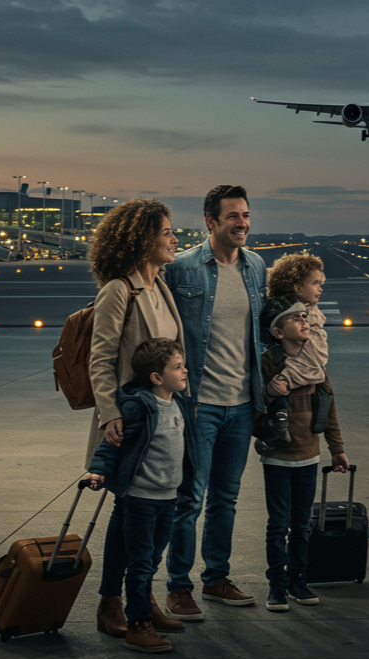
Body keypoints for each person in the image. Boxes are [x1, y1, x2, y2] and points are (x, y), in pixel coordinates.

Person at [163, 185, 267, 620]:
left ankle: (216, 579)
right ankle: (178, 587)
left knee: (227, 498)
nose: (242, 223)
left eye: (245, 215)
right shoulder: (183, 268)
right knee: (189, 498)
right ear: (210, 221)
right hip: (199, 404)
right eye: (233, 217)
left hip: (242, 404)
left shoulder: (256, 266)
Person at [86, 199, 185, 638]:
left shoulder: (160, 287)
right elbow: (100, 359)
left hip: (163, 418)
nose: (174, 238)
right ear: (143, 239)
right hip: (129, 422)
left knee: (153, 516)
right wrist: (109, 414)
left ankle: (140, 600)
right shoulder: (118, 290)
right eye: (166, 232)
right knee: (127, 516)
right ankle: (112, 603)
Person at [88, 338, 189, 653]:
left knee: (153, 559)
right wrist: (98, 469)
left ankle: (143, 610)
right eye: (178, 367)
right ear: (157, 378)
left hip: (168, 498)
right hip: (141, 499)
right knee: (141, 563)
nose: (185, 371)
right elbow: (112, 442)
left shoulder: (178, 403)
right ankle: (138, 626)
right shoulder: (139, 406)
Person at [254, 297, 349, 611]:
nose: (305, 321)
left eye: (305, 316)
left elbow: (329, 409)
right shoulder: (268, 361)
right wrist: (269, 393)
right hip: (278, 458)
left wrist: (337, 450)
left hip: (309, 456)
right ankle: (277, 587)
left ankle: (298, 580)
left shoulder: (315, 367)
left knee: (302, 525)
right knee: (278, 525)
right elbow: (251, 405)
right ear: (278, 332)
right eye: (295, 318)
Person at [257, 252, 328, 452]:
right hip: (302, 365)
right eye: (315, 283)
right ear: (298, 288)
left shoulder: (309, 311)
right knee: (285, 381)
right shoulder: (298, 314)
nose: (320, 288)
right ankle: (278, 424)